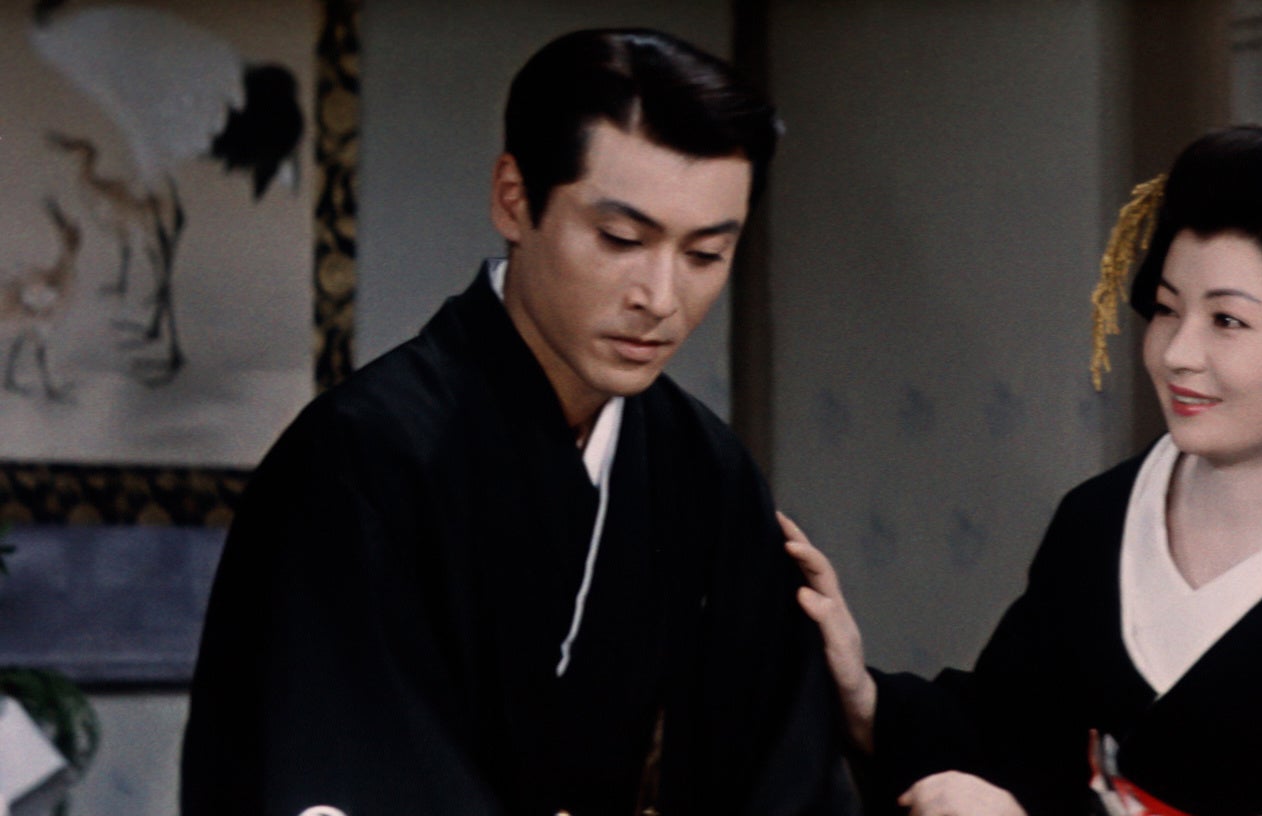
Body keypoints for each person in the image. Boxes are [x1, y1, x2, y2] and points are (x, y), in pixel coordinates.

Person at [184, 29, 850, 816]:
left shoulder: (706, 470)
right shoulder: (363, 456)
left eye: (705, 255)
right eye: (621, 239)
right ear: (513, 198)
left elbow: (782, 771)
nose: (660, 297)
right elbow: (334, 762)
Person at [786, 125, 1262, 815]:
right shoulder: (1106, 513)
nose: (1177, 353)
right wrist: (862, 696)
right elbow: (1006, 732)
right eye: (1168, 310)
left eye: (1227, 322)